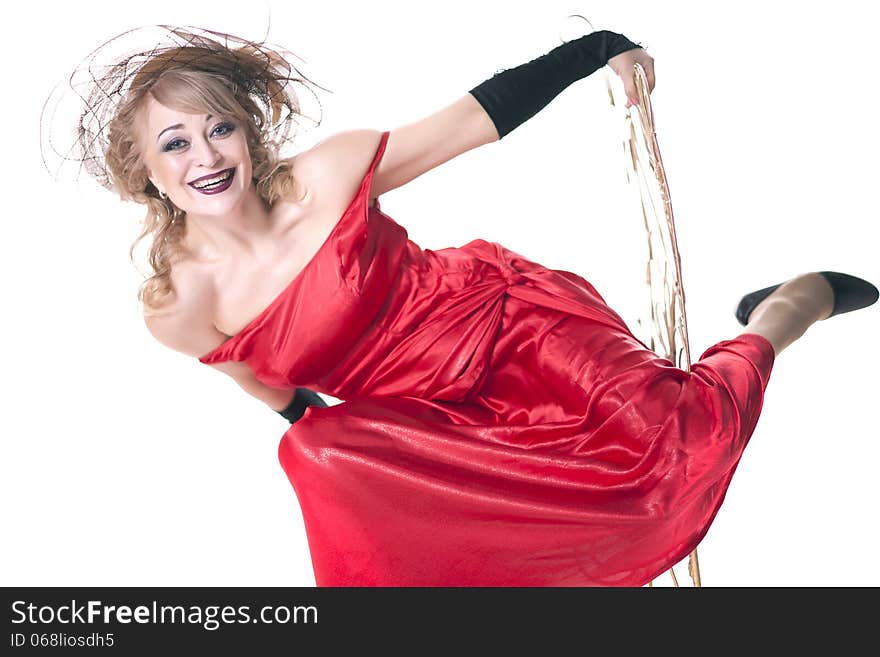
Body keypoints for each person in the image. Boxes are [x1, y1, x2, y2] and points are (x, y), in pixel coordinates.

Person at [55, 25, 877, 586]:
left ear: (247, 133)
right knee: (318, 455)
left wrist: (596, 50)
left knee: (681, 445)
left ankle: (787, 306)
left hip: (511, 323)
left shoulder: (324, 177)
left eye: (219, 130)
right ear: (145, 174)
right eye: (175, 143)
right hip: (438, 422)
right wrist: (401, 475)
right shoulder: (178, 308)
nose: (206, 156)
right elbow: (281, 400)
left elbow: (471, 123)